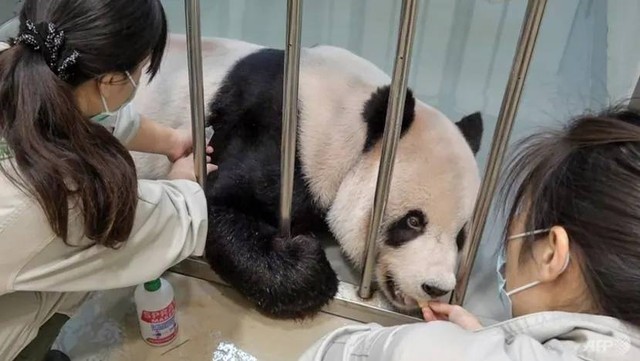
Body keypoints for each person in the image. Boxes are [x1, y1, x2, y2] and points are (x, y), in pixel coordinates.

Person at [299, 105, 640, 361]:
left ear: (552, 253)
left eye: (514, 232)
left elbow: (329, 352)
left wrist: (463, 346)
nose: (446, 277)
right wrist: (489, 339)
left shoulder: (424, 351)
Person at [0, 1, 216, 360]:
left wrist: (171, 141)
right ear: (111, 80)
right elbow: (168, 222)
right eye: (142, 69)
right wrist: (184, 182)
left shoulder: (21, 62)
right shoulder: (61, 195)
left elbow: (81, 111)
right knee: (77, 272)